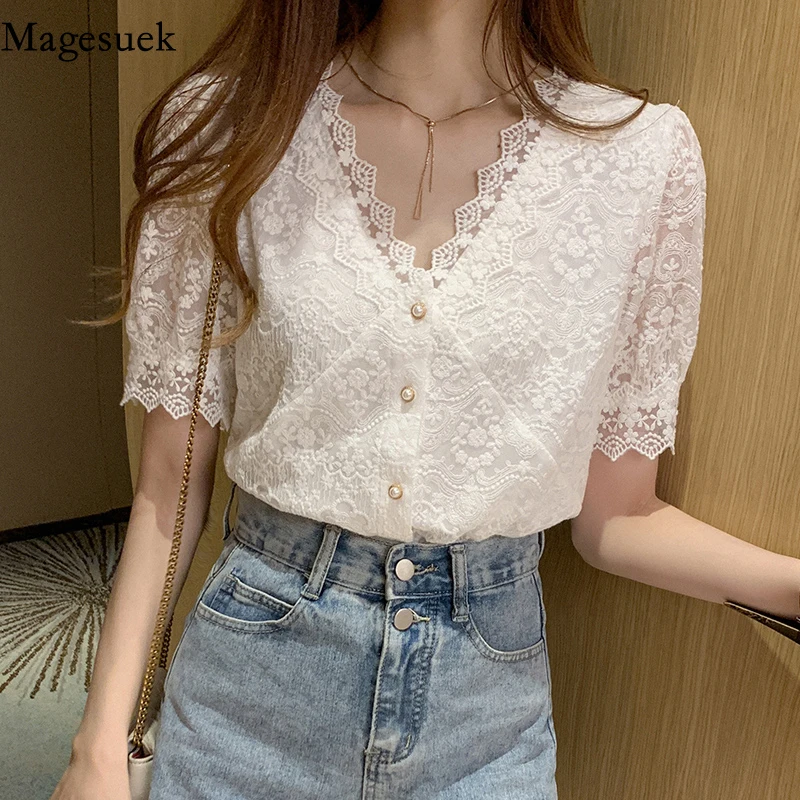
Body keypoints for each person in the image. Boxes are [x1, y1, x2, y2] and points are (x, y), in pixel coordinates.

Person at [52, 1, 800, 799]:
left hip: (486, 728)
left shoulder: (638, 159)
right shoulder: (231, 128)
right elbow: (166, 487)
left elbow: (616, 515)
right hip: (250, 696)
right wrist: (97, 747)